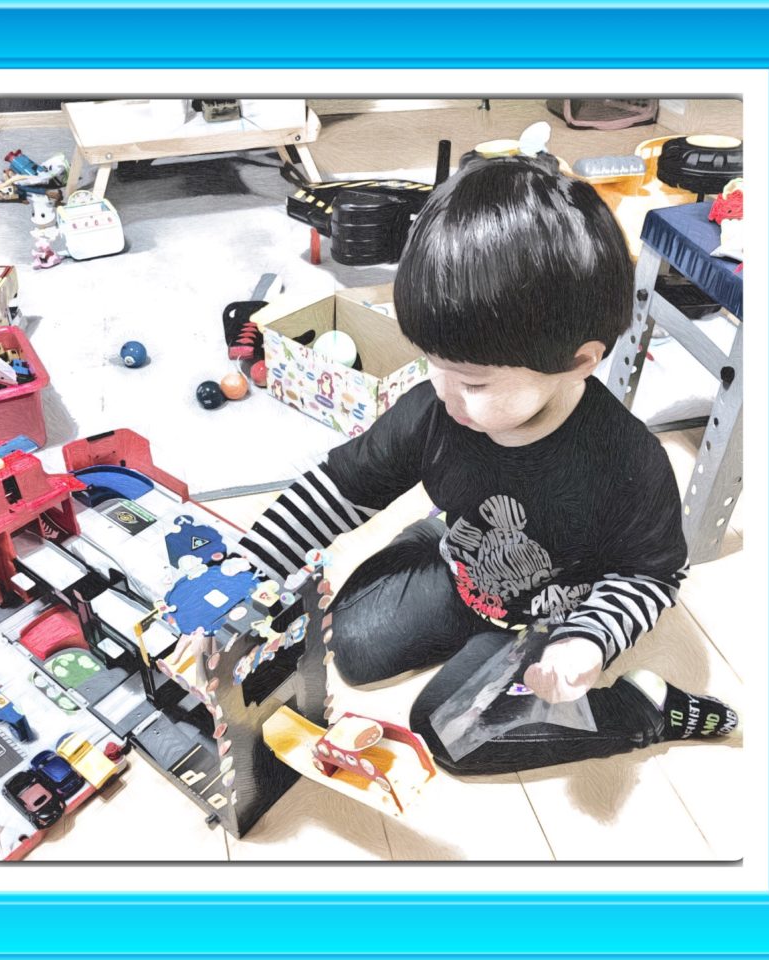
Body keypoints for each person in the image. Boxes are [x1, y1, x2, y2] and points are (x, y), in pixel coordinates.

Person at [237, 148, 738, 775]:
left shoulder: (627, 460)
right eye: (433, 364)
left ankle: (644, 709)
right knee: (352, 645)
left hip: (557, 616)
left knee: (451, 736)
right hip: (466, 568)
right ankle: (441, 544)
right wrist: (246, 571)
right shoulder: (435, 409)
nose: (446, 394)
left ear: (579, 362)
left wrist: (587, 641)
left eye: (473, 381)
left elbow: (651, 577)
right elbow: (337, 490)